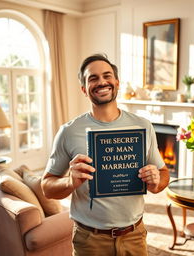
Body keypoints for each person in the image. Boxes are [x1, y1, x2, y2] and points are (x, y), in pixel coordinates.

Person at [41, 53, 170, 256]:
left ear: (116, 83)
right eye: (93, 78)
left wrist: (155, 181)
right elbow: (47, 187)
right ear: (84, 89)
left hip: (134, 235)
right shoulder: (68, 131)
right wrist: (69, 182)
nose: (101, 82)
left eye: (107, 76)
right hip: (89, 239)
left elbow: (163, 174)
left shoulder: (143, 126)